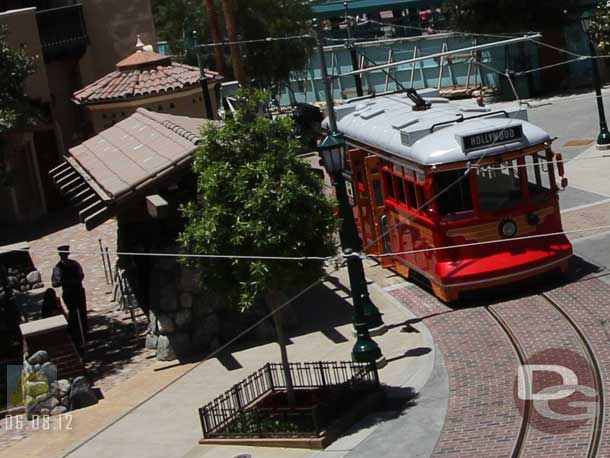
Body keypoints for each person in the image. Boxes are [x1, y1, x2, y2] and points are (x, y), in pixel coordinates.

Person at [51, 245, 88, 350]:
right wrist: (67, 283)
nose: (65, 255)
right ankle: (76, 334)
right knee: (73, 313)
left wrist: (76, 280)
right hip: (69, 293)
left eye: (66, 253)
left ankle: (84, 332)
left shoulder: (74, 264)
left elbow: (81, 274)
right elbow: (55, 283)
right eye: (63, 253)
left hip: (79, 291)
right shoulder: (58, 268)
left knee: (82, 312)